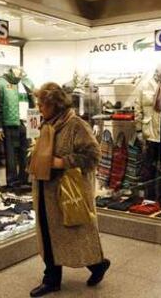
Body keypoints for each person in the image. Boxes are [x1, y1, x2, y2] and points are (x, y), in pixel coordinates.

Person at [28, 82, 110, 297]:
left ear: (55, 105)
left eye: (43, 104)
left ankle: (97, 264)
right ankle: (52, 279)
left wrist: (62, 162)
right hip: (45, 190)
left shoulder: (75, 125)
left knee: (76, 234)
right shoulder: (48, 125)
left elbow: (93, 156)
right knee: (48, 235)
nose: (39, 108)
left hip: (67, 192)